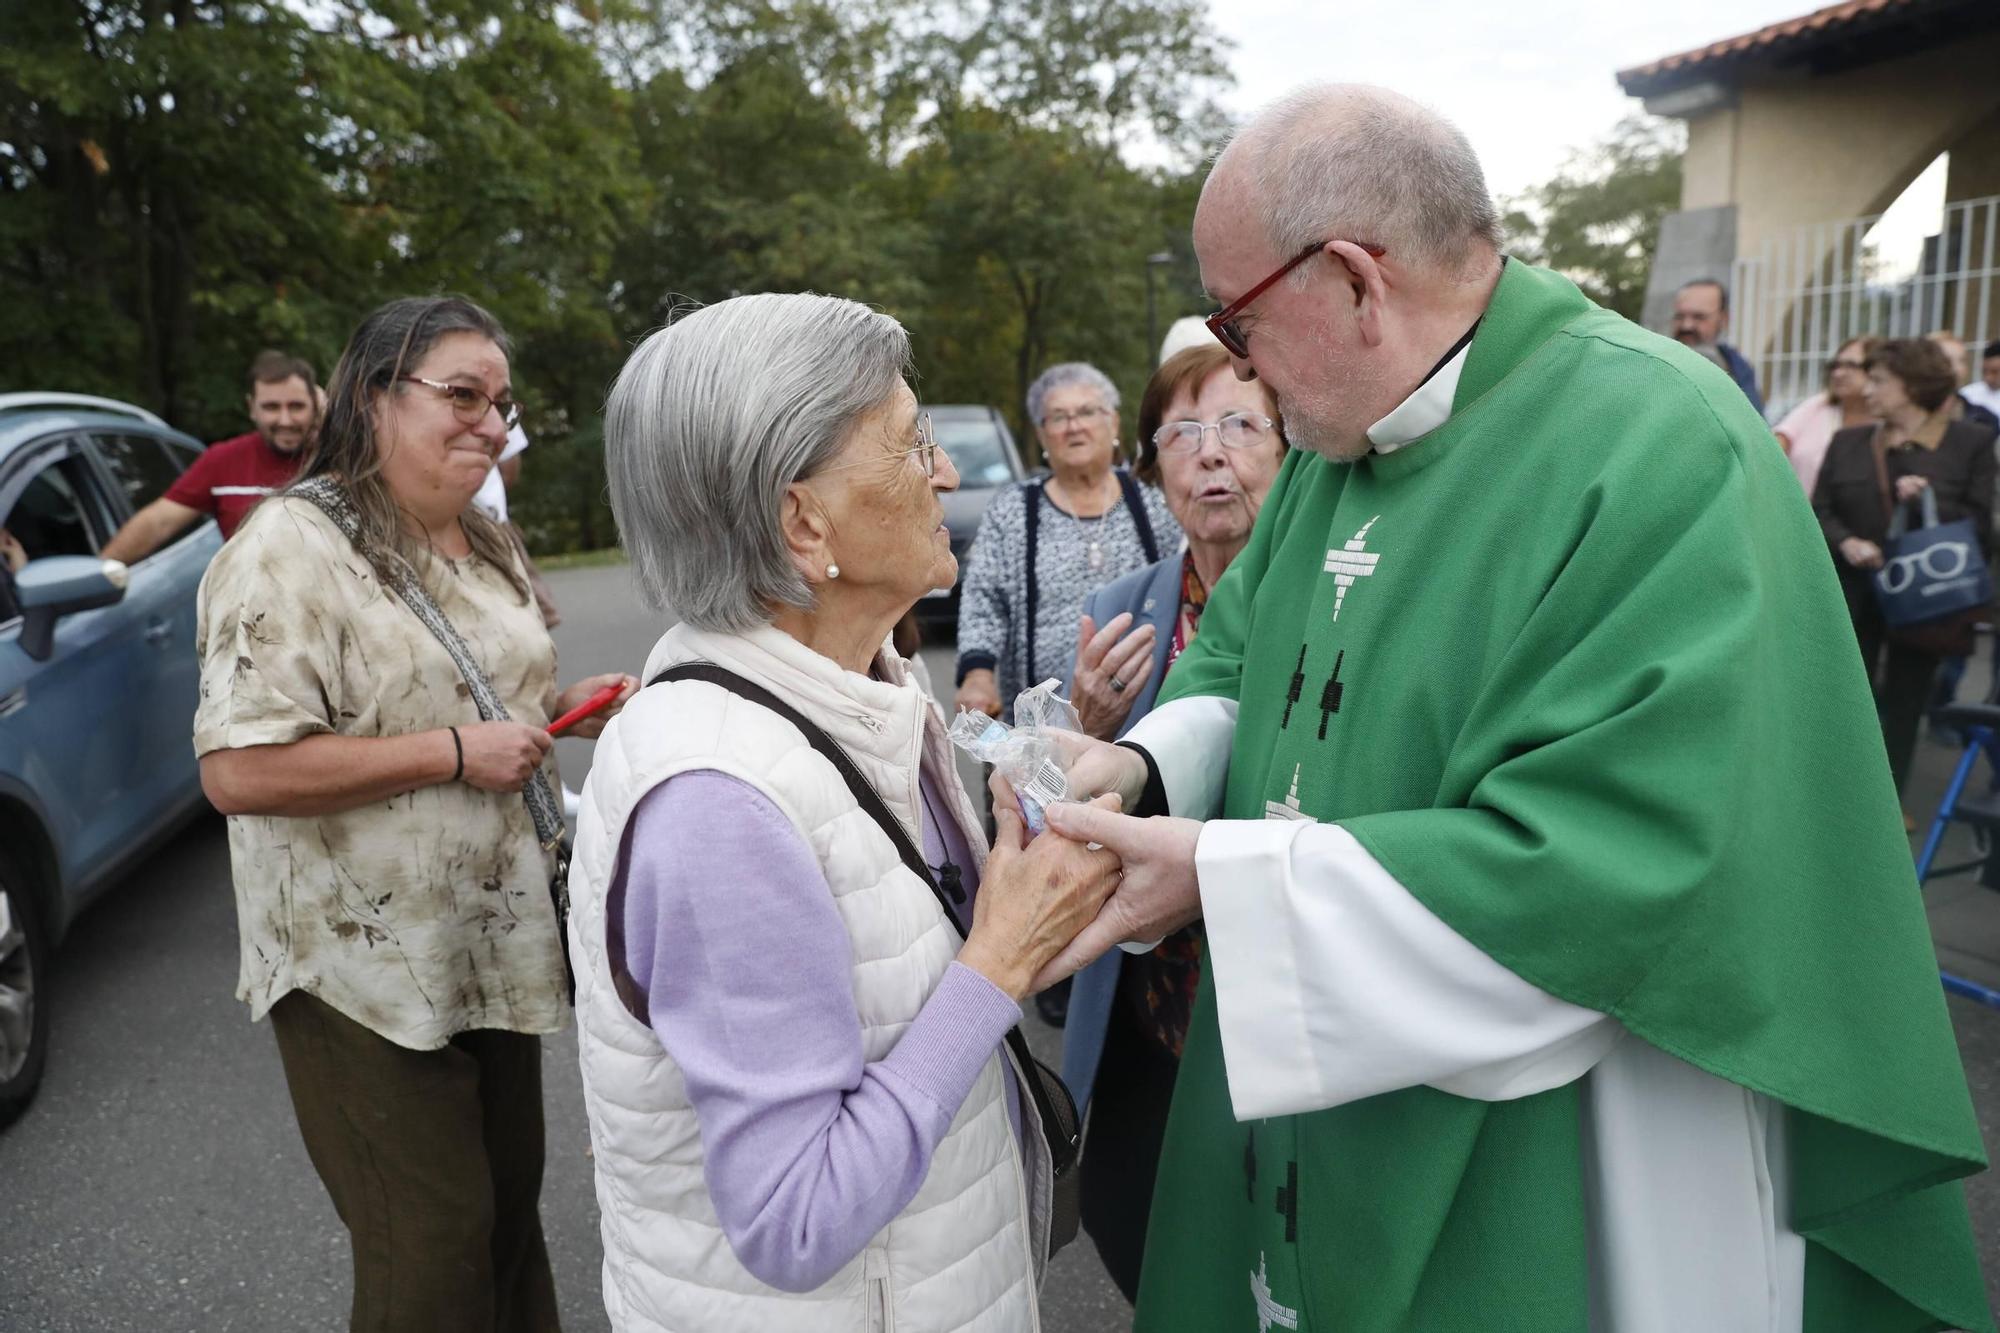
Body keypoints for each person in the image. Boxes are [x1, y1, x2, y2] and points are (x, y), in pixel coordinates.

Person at [1010, 84, 1989, 1331]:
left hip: (1581, 1114)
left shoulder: (1660, 445)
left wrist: (1217, 873)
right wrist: (1139, 774)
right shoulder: (1334, 457)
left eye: (1235, 319)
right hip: (1319, 1082)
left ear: (1356, 281)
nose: (1233, 366)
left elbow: (1623, 855)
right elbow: (1236, 657)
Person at [571, 292, 1121, 1333]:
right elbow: (793, 1217)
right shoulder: (717, 800)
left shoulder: (861, 679)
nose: (944, 474)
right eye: (912, 443)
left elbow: (891, 967)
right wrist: (998, 960)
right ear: (801, 519)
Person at [193, 295, 637, 1333]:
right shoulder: (287, 549)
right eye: (462, 395)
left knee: (504, 1225)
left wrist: (563, 717)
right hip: (361, 966)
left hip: (487, 944)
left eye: (501, 402)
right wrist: (451, 753)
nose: (490, 422)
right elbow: (240, 770)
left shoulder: (482, 539)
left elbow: (483, 699)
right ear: (373, 397)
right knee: (429, 1254)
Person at [1058, 341, 1287, 1302]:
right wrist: (1088, 726)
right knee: (1134, 1223)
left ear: (1291, 449)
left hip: (1275, 1000)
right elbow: (1077, 782)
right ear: (1152, 467)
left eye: (1239, 424)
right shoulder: (1124, 609)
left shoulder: (1330, 597)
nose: (1210, 454)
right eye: (1182, 433)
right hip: (1151, 1010)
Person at [1813, 337, 1996, 802]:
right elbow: (1820, 509)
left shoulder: (1969, 442)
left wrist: (1927, 504)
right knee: (1844, 697)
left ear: (1912, 386)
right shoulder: (1849, 440)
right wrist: (1846, 541)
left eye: (1879, 381)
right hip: (1855, 593)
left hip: (1924, 601)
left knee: (1907, 700)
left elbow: (1981, 525)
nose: (1867, 390)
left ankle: (1886, 805)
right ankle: (1830, 795)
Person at [954, 363, 1181, 720]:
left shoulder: (1154, 499)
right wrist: (978, 674)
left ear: (1114, 424)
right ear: (1042, 436)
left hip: (1147, 721)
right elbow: (984, 600)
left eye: (1088, 412)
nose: (1074, 426)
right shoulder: (1013, 509)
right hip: (1038, 732)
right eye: (1058, 417)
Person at [102, 350, 318, 560]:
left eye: (297, 406)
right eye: (271, 407)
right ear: (252, 408)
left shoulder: (339, 460)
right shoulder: (223, 460)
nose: (285, 420)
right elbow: (158, 523)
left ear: (316, 406)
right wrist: (102, 572)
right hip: (247, 596)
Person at [1773, 336, 1877, 496]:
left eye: (1851, 365)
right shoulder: (1816, 407)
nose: (1838, 373)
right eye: (1835, 366)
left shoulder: (1885, 421)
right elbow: (1773, 450)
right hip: (1797, 514)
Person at [1670, 277, 1765, 415]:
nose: (1687, 325)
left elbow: (1754, 423)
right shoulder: (1650, 363)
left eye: (1699, 317)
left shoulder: (1738, 368)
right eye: (1679, 316)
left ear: (1723, 319)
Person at [1927, 330, 2000, 434]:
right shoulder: (1905, 413)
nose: (1988, 377)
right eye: (1984, 371)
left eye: (1961, 361)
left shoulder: (1984, 419)